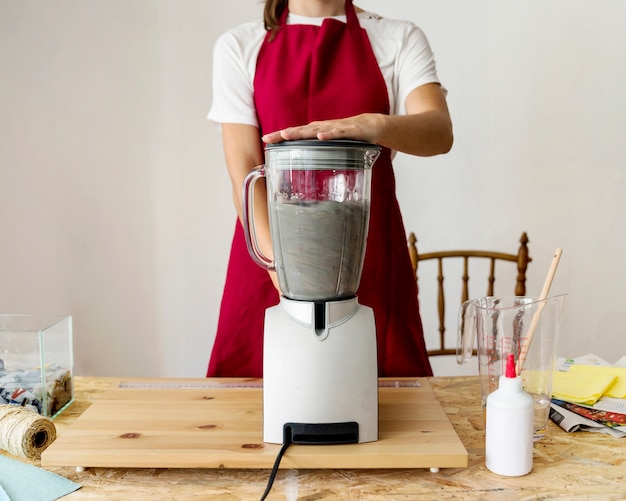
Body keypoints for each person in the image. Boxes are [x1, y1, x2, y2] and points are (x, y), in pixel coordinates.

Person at [207, 0, 453, 378]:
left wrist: (374, 125)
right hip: (267, 259)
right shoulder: (239, 45)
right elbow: (243, 168)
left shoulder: (399, 37)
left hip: (368, 262)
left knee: (388, 413)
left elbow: (438, 131)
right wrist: (288, 277)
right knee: (254, 416)